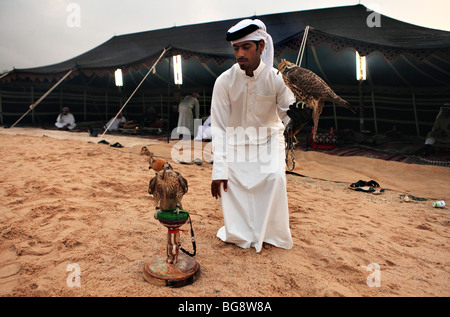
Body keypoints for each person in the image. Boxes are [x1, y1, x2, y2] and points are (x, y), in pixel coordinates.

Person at [210, 19, 297, 253]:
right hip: (236, 144)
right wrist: (219, 170)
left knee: (274, 179)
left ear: (261, 46)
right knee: (229, 184)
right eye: (235, 48)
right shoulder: (224, 82)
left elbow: (288, 116)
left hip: (269, 142)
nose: (239, 53)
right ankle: (241, 233)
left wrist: (298, 121)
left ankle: (269, 233)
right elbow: (218, 127)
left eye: (245, 47)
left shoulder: (278, 79)